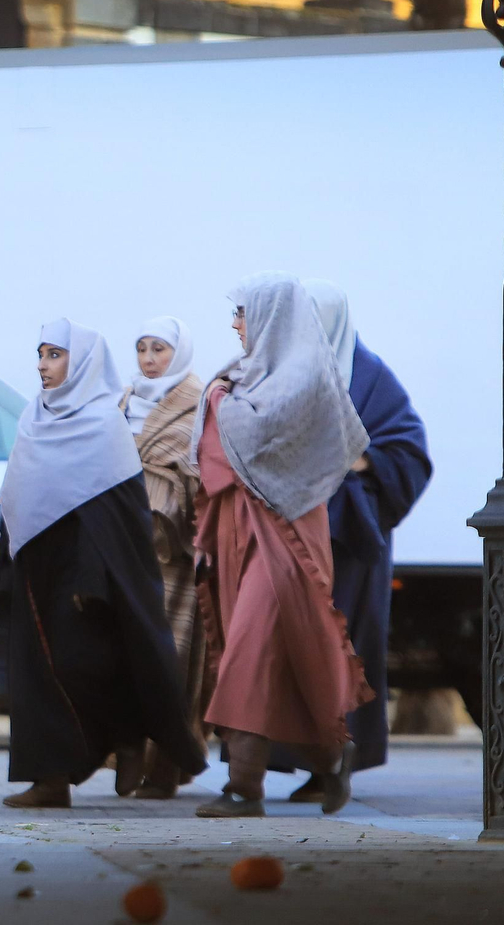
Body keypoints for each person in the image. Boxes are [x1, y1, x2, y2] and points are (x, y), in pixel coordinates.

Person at [0, 319, 209, 810]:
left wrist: (92, 577)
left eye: (54, 355)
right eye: (42, 354)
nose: (43, 366)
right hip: (34, 572)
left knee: (81, 668)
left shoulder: (103, 425)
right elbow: (17, 491)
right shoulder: (35, 416)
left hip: (85, 580)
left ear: (83, 362)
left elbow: (118, 517)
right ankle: (51, 780)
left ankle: (125, 738)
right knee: (36, 675)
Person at [191, 272, 373, 818]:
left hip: (286, 539)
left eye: (243, 313)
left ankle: (243, 785)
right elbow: (210, 458)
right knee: (285, 657)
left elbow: (240, 446)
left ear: (271, 317)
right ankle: (331, 758)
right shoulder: (239, 379)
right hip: (236, 532)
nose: (234, 324)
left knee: (251, 648)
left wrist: (220, 405)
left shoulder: (306, 379)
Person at [281, 280, 431, 804]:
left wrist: (360, 458)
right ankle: (311, 761)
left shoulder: (369, 377)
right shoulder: (286, 372)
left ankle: (338, 759)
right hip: (294, 533)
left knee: (342, 650)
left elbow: (408, 448)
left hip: (350, 538)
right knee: (292, 649)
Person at [118, 317, 206, 799]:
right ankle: (130, 754)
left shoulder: (200, 401)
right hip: (127, 545)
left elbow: (203, 468)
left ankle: (169, 763)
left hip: (174, 550)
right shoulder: (124, 400)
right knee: (129, 656)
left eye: (160, 349)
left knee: (173, 659)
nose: (149, 359)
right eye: (142, 348)